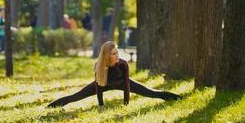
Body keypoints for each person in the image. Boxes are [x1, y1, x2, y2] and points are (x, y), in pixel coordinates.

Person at [48, 41, 181, 107]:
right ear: (106, 55)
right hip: (104, 84)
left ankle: (179, 98)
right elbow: (99, 87)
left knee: (152, 93)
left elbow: (127, 86)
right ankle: (50, 107)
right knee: (75, 97)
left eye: (117, 52)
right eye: (113, 53)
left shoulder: (123, 64)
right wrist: (101, 105)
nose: (117, 55)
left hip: (123, 83)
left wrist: (125, 104)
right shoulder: (99, 66)